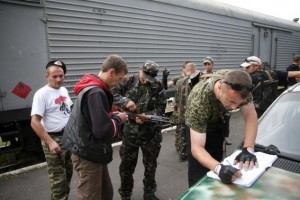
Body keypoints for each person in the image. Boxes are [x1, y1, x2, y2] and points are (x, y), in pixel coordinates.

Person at [62, 55, 128, 200]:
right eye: (119, 78)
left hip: (90, 150)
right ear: (111, 72)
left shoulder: (91, 88)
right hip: (88, 154)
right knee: (90, 196)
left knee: (105, 193)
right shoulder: (96, 92)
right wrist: (118, 119)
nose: (118, 83)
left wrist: (108, 115)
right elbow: (102, 130)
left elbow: (91, 119)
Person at [185, 70, 258, 187]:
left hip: (217, 122)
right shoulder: (199, 100)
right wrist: (218, 168)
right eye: (231, 101)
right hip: (198, 127)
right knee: (199, 174)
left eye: (239, 103)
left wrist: (248, 148)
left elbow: (250, 116)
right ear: (219, 88)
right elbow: (197, 148)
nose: (234, 107)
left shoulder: (243, 87)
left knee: (219, 164)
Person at [111, 60, 167, 200]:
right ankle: (125, 194)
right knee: (126, 167)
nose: (147, 81)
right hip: (130, 133)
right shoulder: (128, 81)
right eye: (145, 76)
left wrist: (149, 116)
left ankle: (149, 193)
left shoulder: (158, 85)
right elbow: (112, 93)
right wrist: (125, 102)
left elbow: (161, 108)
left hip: (150, 134)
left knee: (150, 166)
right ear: (139, 69)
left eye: (150, 79)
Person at [31, 60, 73, 200]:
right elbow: (35, 122)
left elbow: (68, 112)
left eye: (61, 76)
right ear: (47, 77)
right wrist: (50, 142)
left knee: (68, 175)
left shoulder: (64, 90)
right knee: (58, 182)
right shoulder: (41, 94)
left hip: (67, 138)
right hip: (53, 139)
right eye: (54, 76)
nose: (58, 79)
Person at [173, 62, 197, 162]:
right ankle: (192, 154)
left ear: (186, 70)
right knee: (191, 135)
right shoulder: (195, 82)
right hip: (191, 114)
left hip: (181, 113)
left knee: (181, 134)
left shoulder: (179, 82)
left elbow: (176, 99)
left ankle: (182, 154)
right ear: (194, 70)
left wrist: (175, 110)